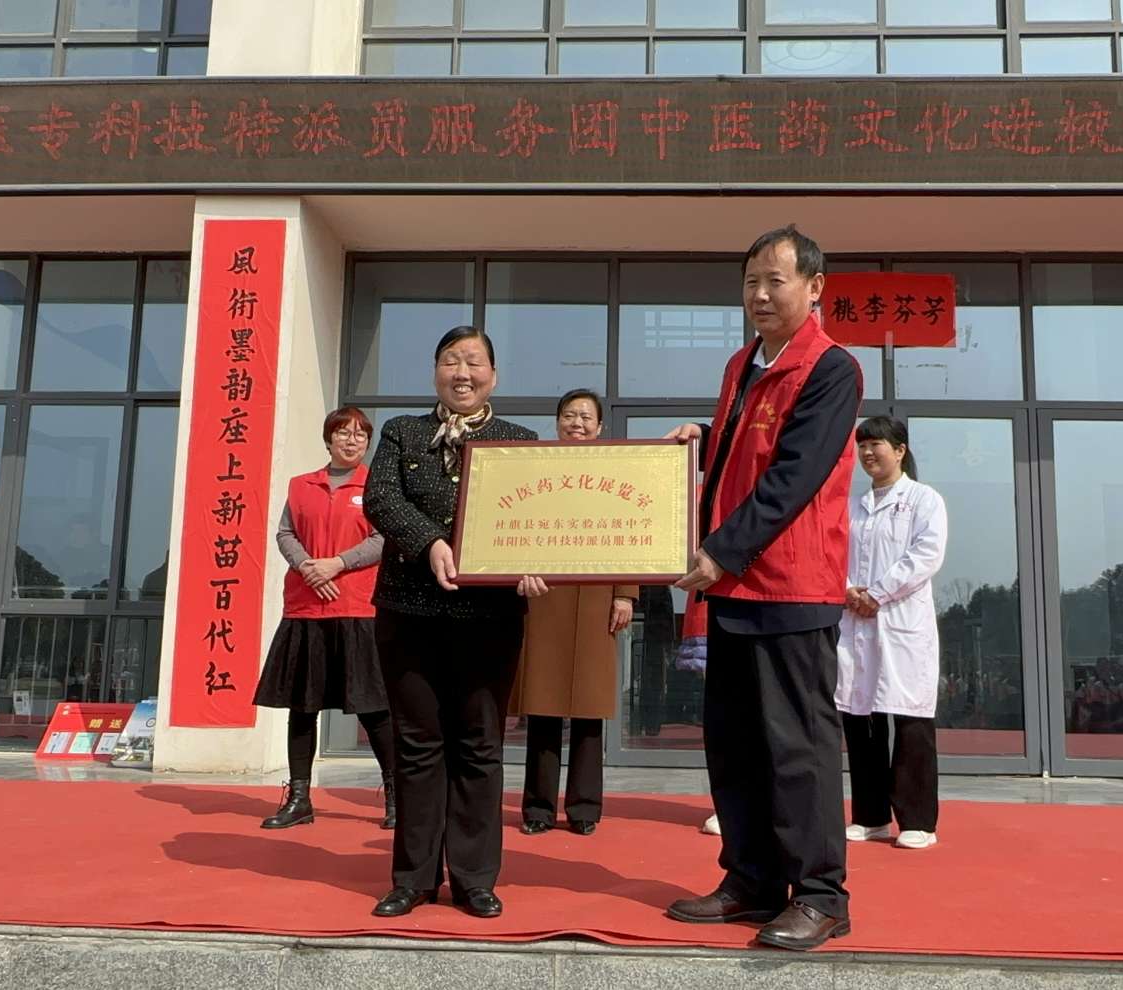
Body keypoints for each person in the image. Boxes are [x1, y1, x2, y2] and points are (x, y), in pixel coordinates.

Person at [662, 225, 862, 952]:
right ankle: (750, 880)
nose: (761, 294)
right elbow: (741, 456)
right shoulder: (742, 364)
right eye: (751, 281)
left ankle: (821, 895)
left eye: (776, 280)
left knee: (797, 747)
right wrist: (700, 441)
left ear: (814, 287)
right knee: (735, 743)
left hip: (791, 586)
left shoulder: (832, 368)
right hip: (735, 588)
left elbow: (794, 474)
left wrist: (720, 551)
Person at [363, 325, 545, 921]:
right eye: (450, 361)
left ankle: (474, 879)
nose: (462, 373)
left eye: (473, 362)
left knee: (479, 744)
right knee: (417, 744)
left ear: (493, 375)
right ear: (435, 371)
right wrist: (431, 542)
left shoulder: (519, 442)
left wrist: (537, 562)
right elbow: (381, 499)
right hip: (408, 611)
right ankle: (413, 879)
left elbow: (540, 518)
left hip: (489, 617)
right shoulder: (402, 431)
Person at [253, 407, 395, 832]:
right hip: (306, 607)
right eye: (343, 433)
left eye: (360, 435)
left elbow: (384, 538)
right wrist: (307, 567)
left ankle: (398, 795)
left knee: (374, 708)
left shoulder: (377, 485)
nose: (352, 441)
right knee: (302, 708)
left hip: (357, 608)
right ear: (328, 438)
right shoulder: (302, 485)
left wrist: (337, 563)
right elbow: (285, 533)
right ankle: (299, 798)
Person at [510, 389, 636, 837]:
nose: (576, 423)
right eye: (569, 415)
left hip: (599, 599)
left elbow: (634, 534)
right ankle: (538, 808)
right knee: (542, 708)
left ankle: (584, 808)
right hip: (544, 597)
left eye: (585, 417)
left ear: (600, 426)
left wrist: (626, 594)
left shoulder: (615, 473)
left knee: (589, 711)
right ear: (557, 422)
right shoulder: (536, 469)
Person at [837, 416, 948, 852]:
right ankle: (871, 816)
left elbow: (926, 556)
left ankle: (918, 820)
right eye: (862, 445)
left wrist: (878, 594)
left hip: (901, 623)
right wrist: (849, 589)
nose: (868, 453)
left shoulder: (924, 500)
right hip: (857, 621)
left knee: (910, 720)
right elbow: (833, 554)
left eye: (876, 444)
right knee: (860, 718)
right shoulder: (852, 506)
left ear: (900, 450)